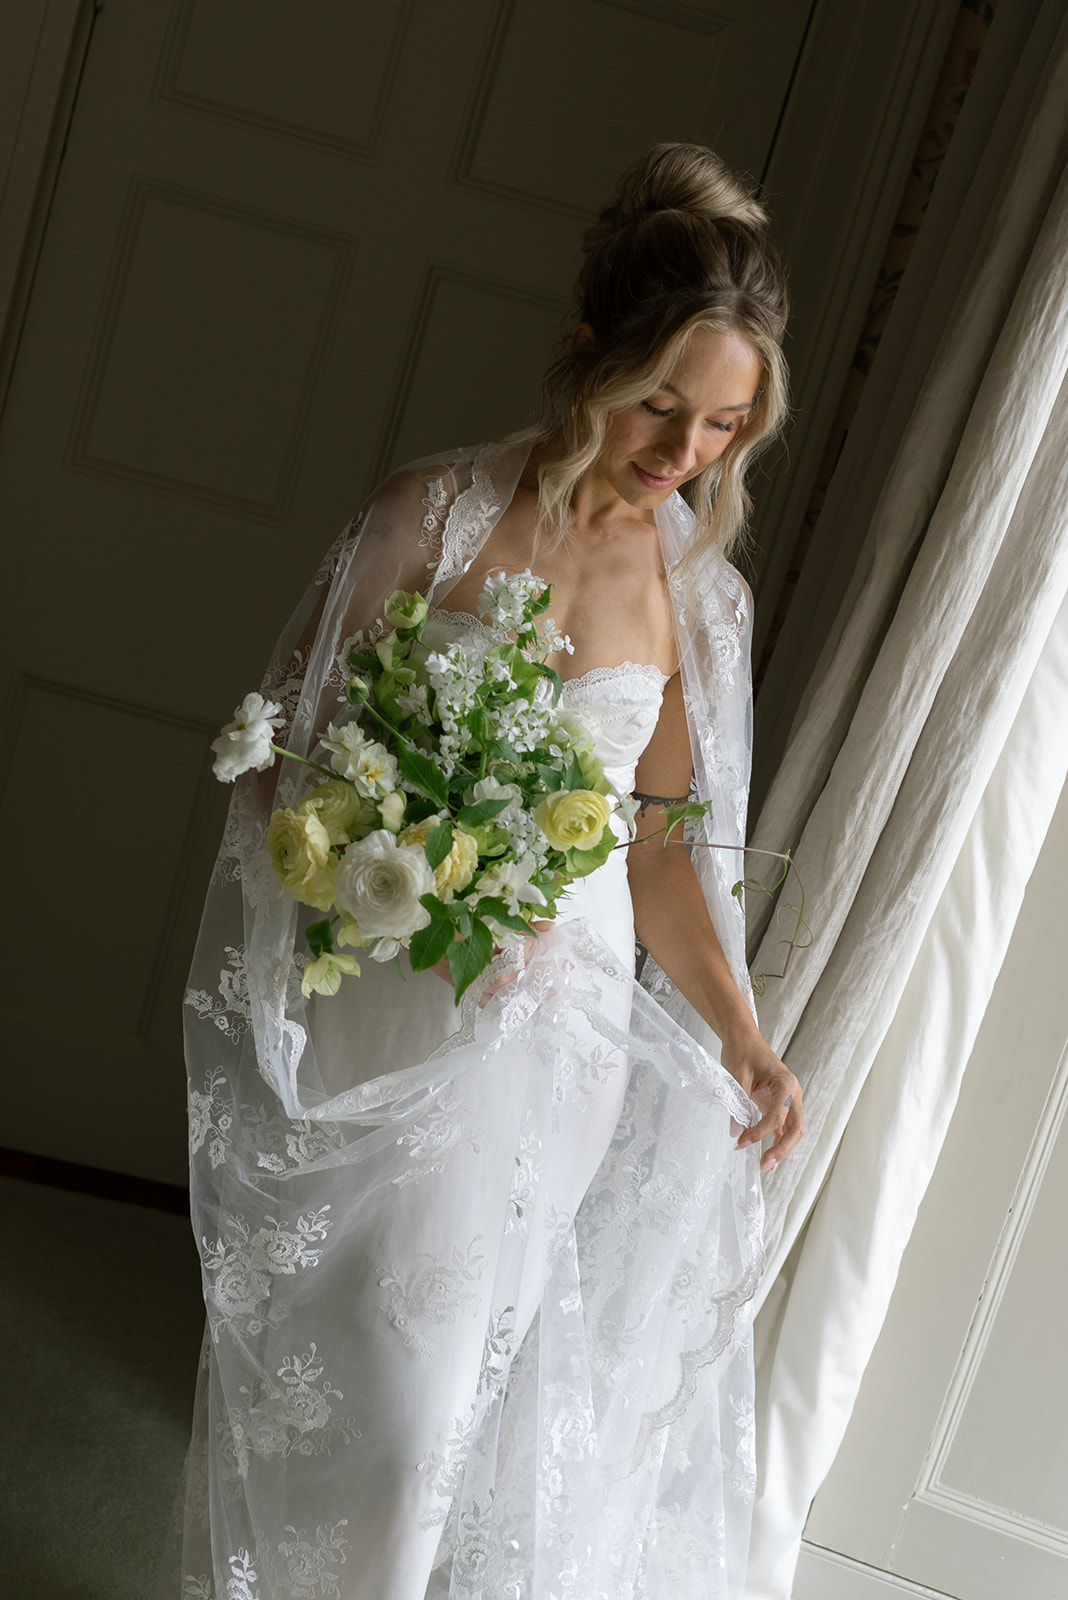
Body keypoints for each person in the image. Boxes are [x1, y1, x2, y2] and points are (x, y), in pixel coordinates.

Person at [163, 142, 803, 1600]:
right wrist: (410, 869)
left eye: (722, 426)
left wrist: (746, 1037)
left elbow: (654, 852)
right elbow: (285, 768)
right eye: (661, 403)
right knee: (355, 1377)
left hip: (550, 1041)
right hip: (391, 987)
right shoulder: (431, 515)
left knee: (438, 1406)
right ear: (588, 351)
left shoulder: (698, 595)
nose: (682, 452)